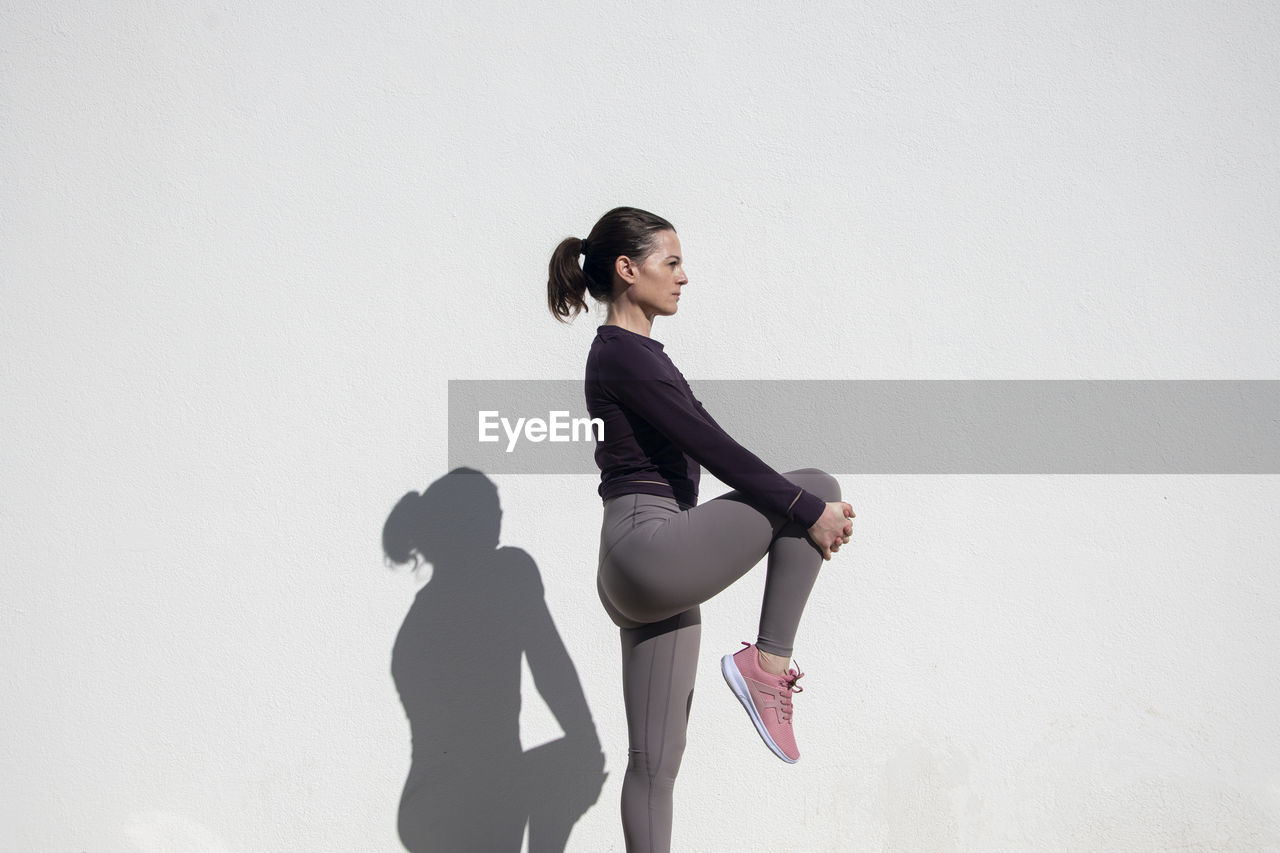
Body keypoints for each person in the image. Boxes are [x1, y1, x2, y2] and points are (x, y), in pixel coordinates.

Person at [547, 206, 855, 853]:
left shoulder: (639, 358)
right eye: (672, 262)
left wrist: (798, 511)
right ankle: (767, 664)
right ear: (629, 270)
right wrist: (808, 510)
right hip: (648, 546)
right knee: (819, 486)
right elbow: (712, 446)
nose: (684, 277)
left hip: (644, 561)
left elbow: (712, 440)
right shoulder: (623, 355)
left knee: (655, 764)